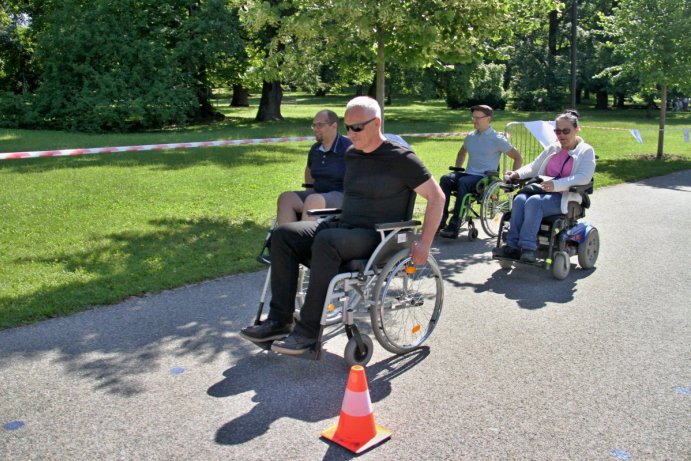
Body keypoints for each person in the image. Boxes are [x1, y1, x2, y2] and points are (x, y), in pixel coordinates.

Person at [241, 96, 445, 355]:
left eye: (357, 127)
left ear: (377, 123)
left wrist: (424, 243)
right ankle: (279, 321)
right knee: (283, 235)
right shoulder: (352, 154)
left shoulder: (401, 158)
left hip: (376, 235)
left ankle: (308, 332)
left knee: (328, 242)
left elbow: (437, 197)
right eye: (348, 127)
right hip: (344, 226)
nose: (351, 133)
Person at [493, 110, 596, 262]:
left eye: (566, 131)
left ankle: (528, 248)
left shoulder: (585, 151)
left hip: (566, 196)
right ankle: (512, 246)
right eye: (558, 131)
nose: (561, 135)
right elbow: (534, 167)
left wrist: (556, 184)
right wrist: (516, 174)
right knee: (520, 199)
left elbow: (584, 177)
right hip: (542, 189)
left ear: (577, 129)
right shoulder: (553, 148)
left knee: (535, 202)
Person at [439, 105, 522, 238]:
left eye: (478, 118)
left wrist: (513, 177)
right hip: (468, 174)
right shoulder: (471, 136)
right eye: (473, 117)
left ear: (488, 119)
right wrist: (458, 168)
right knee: (445, 179)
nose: (474, 120)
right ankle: (440, 221)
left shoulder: (497, 139)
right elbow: (462, 152)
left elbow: (518, 157)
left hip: (485, 177)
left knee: (463, 182)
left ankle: (454, 226)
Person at [276, 110, 352, 225]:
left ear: (334, 126)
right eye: (314, 125)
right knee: (286, 198)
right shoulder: (315, 149)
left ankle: (303, 238)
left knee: (313, 200)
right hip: (318, 194)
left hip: (342, 196)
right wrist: (309, 189)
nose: (315, 129)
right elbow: (309, 170)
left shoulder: (348, 148)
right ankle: (287, 238)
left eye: (320, 125)